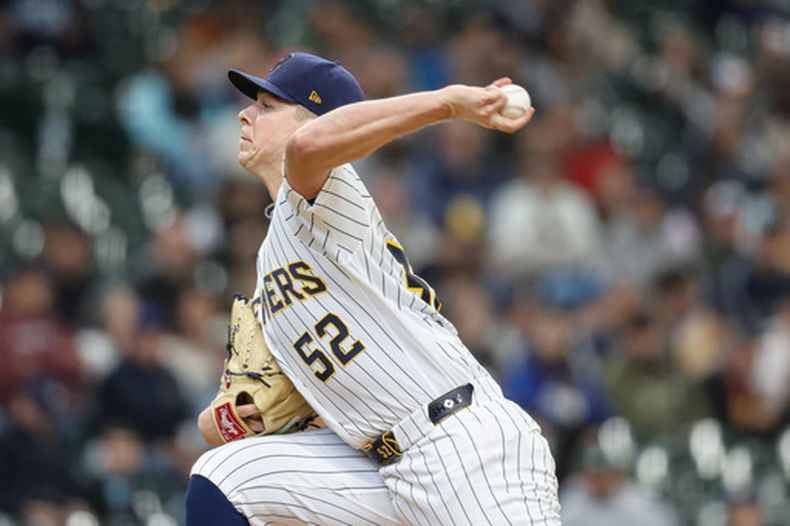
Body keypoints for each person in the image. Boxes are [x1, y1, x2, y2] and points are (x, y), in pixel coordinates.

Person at [187, 51, 561, 525]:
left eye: (267, 106)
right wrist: (245, 416)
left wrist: (448, 103)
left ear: (322, 120)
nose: (245, 114)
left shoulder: (323, 193)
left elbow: (307, 147)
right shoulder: (270, 265)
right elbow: (214, 425)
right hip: (384, 469)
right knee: (224, 478)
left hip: (463, 446)